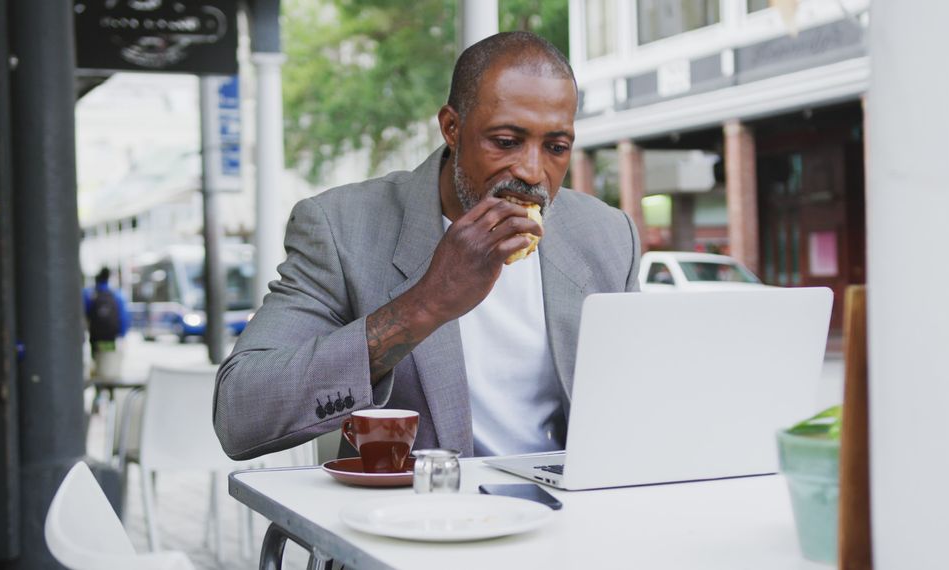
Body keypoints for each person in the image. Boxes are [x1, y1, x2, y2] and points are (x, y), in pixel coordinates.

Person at [213, 32, 640, 461]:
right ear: (452, 128)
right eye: (506, 142)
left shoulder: (607, 234)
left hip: (571, 508)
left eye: (556, 147)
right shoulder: (341, 227)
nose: (532, 171)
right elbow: (239, 413)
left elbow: (635, 402)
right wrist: (424, 305)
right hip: (417, 514)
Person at [82, 267, 130, 357]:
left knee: (97, 358)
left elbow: (84, 313)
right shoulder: (117, 295)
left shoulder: (89, 294)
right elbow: (123, 317)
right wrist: (122, 335)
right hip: (111, 336)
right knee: (108, 359)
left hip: (95, 335)